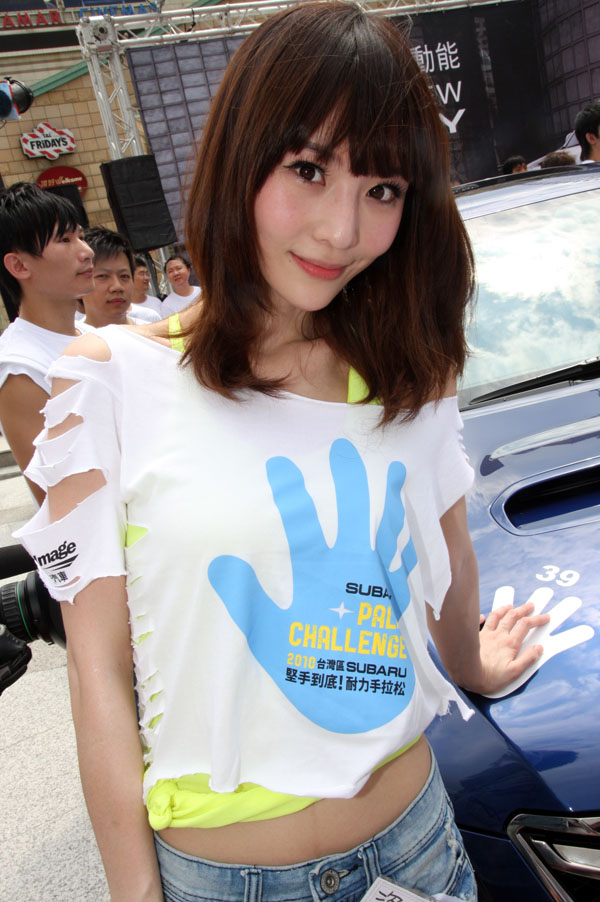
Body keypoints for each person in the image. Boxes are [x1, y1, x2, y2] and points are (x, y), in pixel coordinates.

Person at [17, 4, 550, 901]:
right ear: (241, 159)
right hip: (226, 879)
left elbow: (448, 550)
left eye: (383, 190)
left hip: (418, 851)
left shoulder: (409, 368)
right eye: (309, 170)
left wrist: (471, 664)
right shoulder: (112, 381)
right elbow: (98, 672)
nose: (342, 229)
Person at [0, 182, 94, 504]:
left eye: (81, 236)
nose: (86, 251)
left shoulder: (91, 334)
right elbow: (56, 498)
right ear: (19, 265)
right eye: (65, 240)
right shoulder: (20, 368)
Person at [80, 227, 160, 327]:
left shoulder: (152, 331)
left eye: (124, 276)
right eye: (103, 276)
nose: (117, 287)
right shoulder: (74, 336)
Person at [131, 255, 164, 320]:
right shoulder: (125, 309)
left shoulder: (156, 302)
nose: (146, 278)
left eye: (147, 274)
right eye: (142, 274)